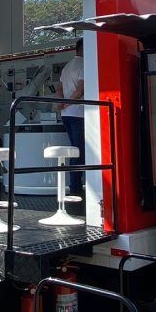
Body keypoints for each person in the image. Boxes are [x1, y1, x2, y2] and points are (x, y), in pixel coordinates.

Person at [58, 40, 85, 195]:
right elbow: (80, 91)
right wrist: (67, 104)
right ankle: (75, 186)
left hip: (66, 115)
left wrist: (61, 104)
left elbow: (59, 88)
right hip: (78, 112)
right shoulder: (84, 65)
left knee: (75, 149)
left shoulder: (67, 66)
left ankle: (75, 184)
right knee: (79, 151)